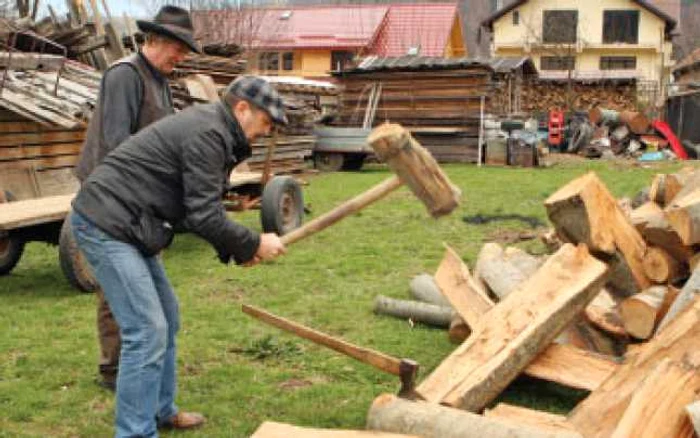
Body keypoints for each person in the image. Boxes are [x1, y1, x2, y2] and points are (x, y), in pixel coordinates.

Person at [71, 76, 288, 437]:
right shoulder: (210, 134)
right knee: (146, 328)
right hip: (107, 224)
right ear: (242, 109)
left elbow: (193, 211)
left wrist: (239, 250)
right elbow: (204, 215)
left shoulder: (216, 130)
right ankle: (135, 432)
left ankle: (160, 411)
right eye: (266, 122)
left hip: (135, 225)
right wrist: (252, 243)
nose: (265, 132)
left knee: (166, 318)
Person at [73, 5, 200, 391]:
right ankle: (114, 369)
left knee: (141, 281)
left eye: (184, 51)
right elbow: (116, 144)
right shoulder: (125, 76)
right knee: (119, 285)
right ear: (156, 40)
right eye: (178, 48)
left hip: (140, 196)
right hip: (110, 197)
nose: (181, 57)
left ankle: (141, 361)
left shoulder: (159, 79)